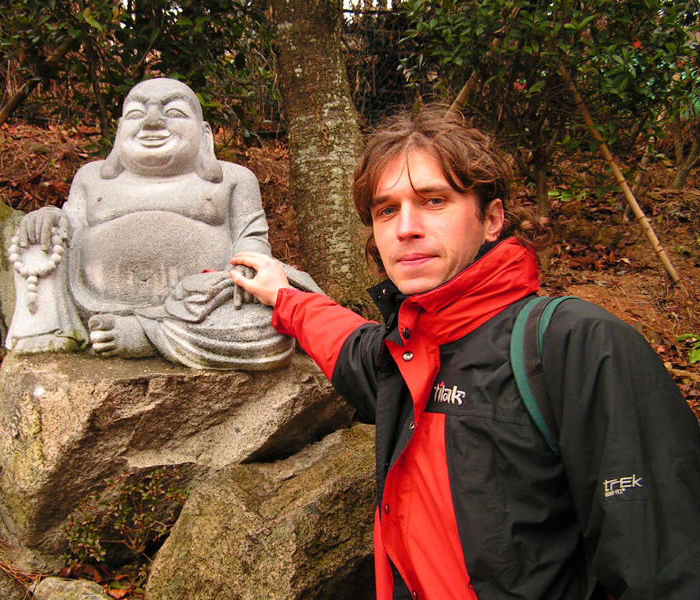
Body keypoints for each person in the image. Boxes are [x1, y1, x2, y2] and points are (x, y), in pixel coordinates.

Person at [229, 106, 700, 599]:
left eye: (433, 201)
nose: (405, 227)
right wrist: (284, 297)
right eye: (386, 210)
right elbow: (347, 344)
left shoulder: (577, 347)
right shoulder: (405, 353)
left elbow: (666, 566)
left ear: (491, 217)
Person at [5, 78, 319, 370]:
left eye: (174, 112)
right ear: (119, 130)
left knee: (271, 337)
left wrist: (250, 266)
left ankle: (145, 333)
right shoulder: (91, 178)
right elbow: (69, 226)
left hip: (203, 307)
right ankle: (76, 328)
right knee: (41, 233)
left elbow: (252, 238)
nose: (152, 122)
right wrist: (48, 216)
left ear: (204, 132)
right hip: (95, 305)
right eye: (136, 113)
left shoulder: (234, 178)